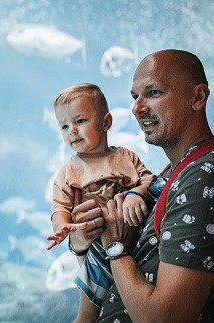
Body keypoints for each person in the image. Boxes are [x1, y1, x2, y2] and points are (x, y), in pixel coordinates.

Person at [72, 49, 214, 322]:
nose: (137, 108)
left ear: (198, 97)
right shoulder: (173, 174)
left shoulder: (210, 173)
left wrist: (116, 247)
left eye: (153, 92)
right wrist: (85, 241)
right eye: (134, 97)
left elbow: (166, 318)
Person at [45, 83, 154, 322]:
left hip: (136, 239)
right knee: (90, 308)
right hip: (95, 246)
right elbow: (60, 207)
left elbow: (150, 182)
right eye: (64, 126)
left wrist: (137, 193)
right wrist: (63, 228)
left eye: (80, 121)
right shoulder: (68, 171)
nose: (71, 131)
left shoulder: (126, 157)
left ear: (106, 122)